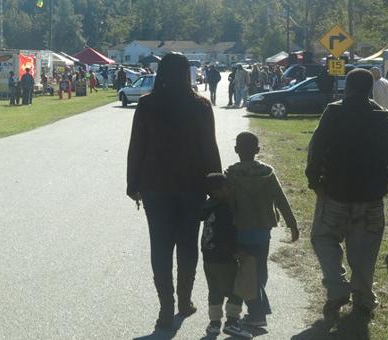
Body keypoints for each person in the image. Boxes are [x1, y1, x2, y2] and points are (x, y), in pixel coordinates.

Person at [127, 52, 222, 329]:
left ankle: (165, 308)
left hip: (155, 185)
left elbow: (137, 147)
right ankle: (184, 300)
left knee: (160, 245)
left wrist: (132, 183)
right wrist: (216, 183)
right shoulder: (200, 105)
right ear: (186, 73)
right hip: (192, 185)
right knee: (187, 244)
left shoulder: (147, 105)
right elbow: (209, 147)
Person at [306, 68, 388, 323]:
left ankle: (336, 287)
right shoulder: (383, 118)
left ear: (346, 87)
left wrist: (315, 181)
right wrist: (379, 180)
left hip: (335, 193)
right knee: (365, 254)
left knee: (323, 237)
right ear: (371, 89)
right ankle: (363, 299)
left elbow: (316, 147)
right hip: (371, 199)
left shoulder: (334, 112)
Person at [225, 132, 299, 328]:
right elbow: (281, 199)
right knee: (260, 268)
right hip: (263, 229)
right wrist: (292, 223)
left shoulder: (231, 174)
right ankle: (257, 302)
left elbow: (227, 203)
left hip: (240, 229)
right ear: (257, 150)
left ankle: (256, 311)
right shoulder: (267, 173)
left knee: (245, 271)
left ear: (236, 150)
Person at [199, 173, 252, 339]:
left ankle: (214, 324)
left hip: (208, 256)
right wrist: (237, 251)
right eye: (227, 187)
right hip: (223, 258)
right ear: (217, 192)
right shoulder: (224, 210)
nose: (230, 189)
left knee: (214, 290)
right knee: (238, 288)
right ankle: (232, 322)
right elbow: (225, 235)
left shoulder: (208, 207)